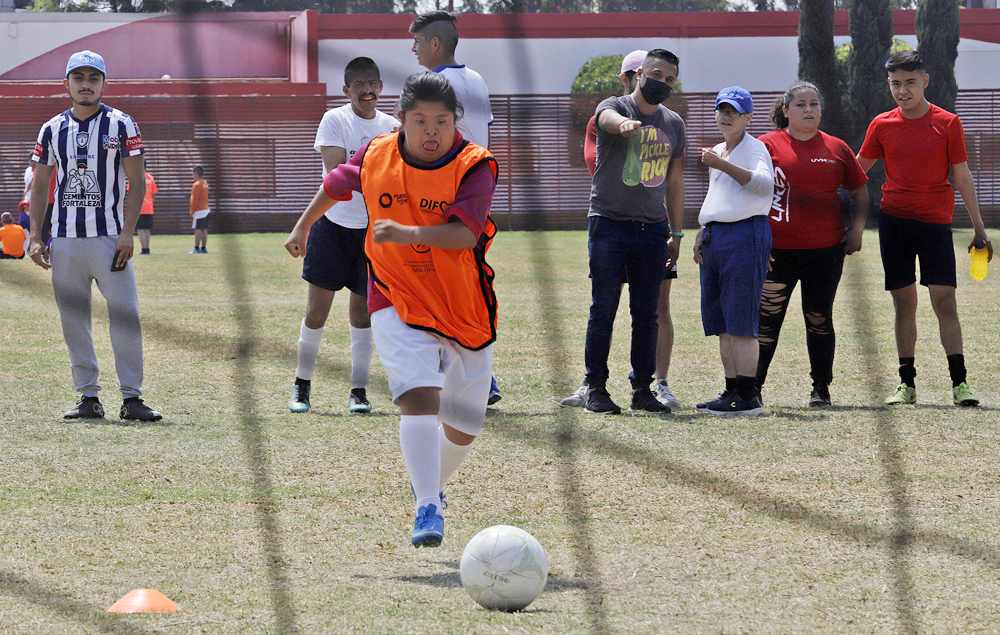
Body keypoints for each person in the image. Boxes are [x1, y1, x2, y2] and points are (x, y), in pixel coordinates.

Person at [285, 72, 498, 548]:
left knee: (465, 426)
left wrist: (408, 234)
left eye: (441, 121)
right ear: (400, 119)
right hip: (393, 293)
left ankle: (428, 481)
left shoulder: (474, 165)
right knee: (418, 397)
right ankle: (428, 505)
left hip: (461, 302)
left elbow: (464, 235)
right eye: (419, 120)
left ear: (455, 123)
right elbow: (337, 183)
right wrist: (302, 227)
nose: (430, 132)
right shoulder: (377, 152)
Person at [27, 50, 162, 422]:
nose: (86, 84)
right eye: (79, 77)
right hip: (66, 240)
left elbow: (137, 181)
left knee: (125, 316)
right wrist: (36, 236)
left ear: (104, 83)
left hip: (109, 239)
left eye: (93, 78)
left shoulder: (122, 124)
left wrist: (127, 233)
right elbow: (41, 186)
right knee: (74, 319)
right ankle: (88, 397)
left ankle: (132, 398)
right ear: (67, 83)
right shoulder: (51, 128)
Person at [856, 50, 992, 407]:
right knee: (904, 303)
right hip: (894, 222)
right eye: (896, 83)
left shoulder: (947, 122)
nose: (903, 90)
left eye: (910, 82)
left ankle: (960, 383)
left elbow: (961, 175)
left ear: (925, 81)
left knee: (945, 302)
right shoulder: (881, 124)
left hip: (935, 224)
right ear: (889, 83)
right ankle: (907, 384)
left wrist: (979, 228)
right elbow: (857, 171)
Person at [563, 49, 682, 410]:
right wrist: (624, 125)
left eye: (670, 80)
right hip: (609, 224)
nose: (662, 83)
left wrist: (676, 234)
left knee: (646, 314)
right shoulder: (614, 105)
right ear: (640, 74)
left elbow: (675, 183)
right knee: (604, 308)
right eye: (656, 75)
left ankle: (642, 391)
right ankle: (595, 388)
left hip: (652, 229)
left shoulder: (674, 123)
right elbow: (608, 119)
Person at [286, 56, 398, 414]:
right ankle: (302, 387)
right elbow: (339, 176)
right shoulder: (334, 119)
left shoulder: (394, 127)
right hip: (332, 227)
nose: (367, 91)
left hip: (374, 233)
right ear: (346, 90)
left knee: (363, 315)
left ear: (381, 87)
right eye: (359, 85)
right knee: (317, 312)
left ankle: (358, 391)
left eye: (373, 84)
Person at [756, 81, 869, 407]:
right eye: (801, 104)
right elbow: (747, 190)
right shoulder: (765, 145)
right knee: (766, 320)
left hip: (825, 251)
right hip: (776, 252)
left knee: (819, 317)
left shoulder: (837, 148)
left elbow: (860, 191)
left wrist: (857, 230)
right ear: (785, 111)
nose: (809, 110)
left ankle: (821, 389)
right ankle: (754, 387)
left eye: (814, 104)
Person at [410, 10, 502, 406]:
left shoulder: (433, 84)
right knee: (463, 290)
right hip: (476, 198)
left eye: (417, 42)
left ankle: (475, 381)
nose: (412, 49)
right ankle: (481, 379)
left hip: (443, 198)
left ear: (434, 44)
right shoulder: (476, 78)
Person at [693, 86, 774, 416]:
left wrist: (721, 164)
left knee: (741, 321)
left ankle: (747, 394)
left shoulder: (756, 148)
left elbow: (765, 184)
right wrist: (702, 231)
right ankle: (730, 390)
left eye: (734, 112)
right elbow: (718, 197)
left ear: (748, 118)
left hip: (744, 234)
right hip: (716, 237)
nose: (726, 116)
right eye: (722, 110)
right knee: (723, 321)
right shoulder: (717, 149)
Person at [133, 170, 157, 254]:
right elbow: (153, 194)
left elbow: (131, 192)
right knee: (147, 229)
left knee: (140, 229)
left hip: (139, 207)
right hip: (149, 207)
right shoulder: (150, 178)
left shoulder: (136, 177)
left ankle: (143, 248)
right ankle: (147, 248)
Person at [189, 165, 210, 254]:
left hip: (199, 210)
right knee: (204, 229)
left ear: (196, 174)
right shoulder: (205, 183)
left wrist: (192, 211)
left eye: (193, 174)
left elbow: (195, 200)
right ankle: (204, 248)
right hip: (206, 209)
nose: (192, 176)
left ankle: (197, 248)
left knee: (197, 229)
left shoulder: (196, 185)